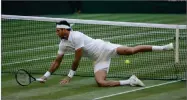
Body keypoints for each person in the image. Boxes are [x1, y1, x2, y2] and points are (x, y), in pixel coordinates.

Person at [38, 20, 174, 87]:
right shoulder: (63, 44)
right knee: (101, 82)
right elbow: (57, 61)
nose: (56, 33)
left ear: (64, 30)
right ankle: (130, 81)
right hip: (98, 60)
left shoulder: (76, 36)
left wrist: (69, 76)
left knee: (131, 50)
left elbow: (77, 59)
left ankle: (163, 48)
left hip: (104, 48)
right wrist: (45, 76)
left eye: (58, 31)